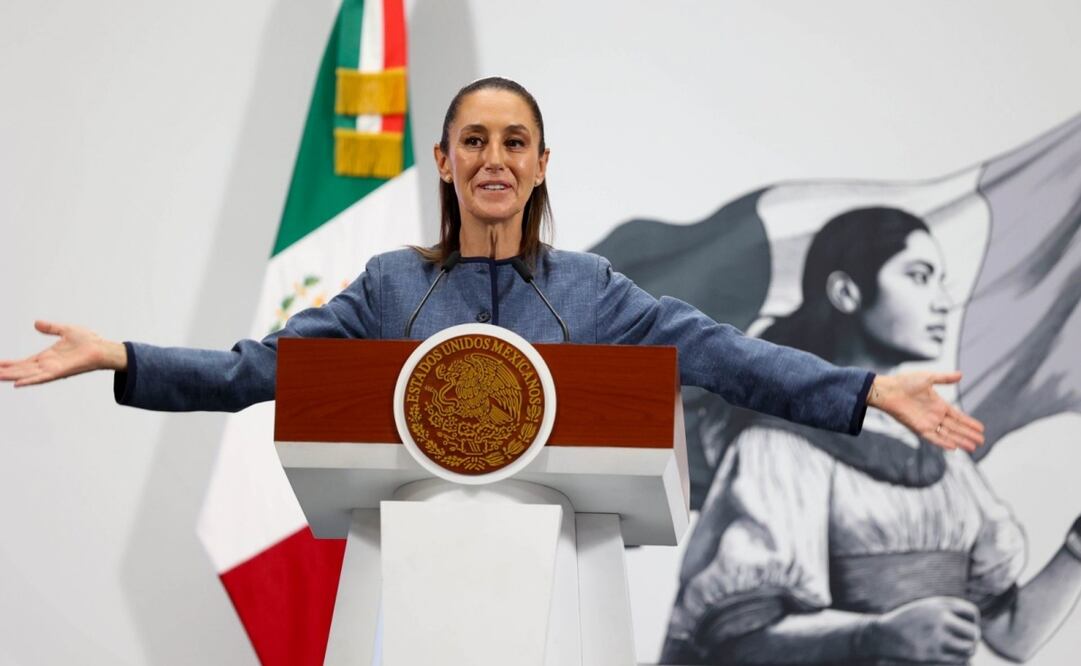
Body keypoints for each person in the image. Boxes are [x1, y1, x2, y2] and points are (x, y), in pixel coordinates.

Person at [1, 78, 982, 456]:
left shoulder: (594, 289)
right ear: (443, 161)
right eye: (474, 140)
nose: (494, 159)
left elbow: (731, 358)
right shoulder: (389, 285)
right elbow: (257, 370)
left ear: (541, 164)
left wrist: (867, 392)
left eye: (515, 142)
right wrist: (121, 356)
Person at [661, 208, 1081, 665]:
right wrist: (873, 637)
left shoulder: (941, 457)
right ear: (846, 292)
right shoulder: (781, 447)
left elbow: (1010, 633)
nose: (942, 301)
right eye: (919, 277)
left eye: (942, 281)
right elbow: (734, 641)